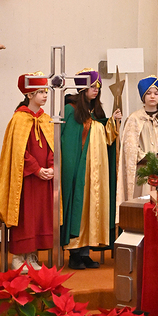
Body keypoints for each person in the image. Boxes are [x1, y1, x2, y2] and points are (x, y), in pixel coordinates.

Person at [0, 73, 54, 271]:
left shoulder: (46, 119)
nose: (45, 95)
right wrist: (36, 169)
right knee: (25, 215)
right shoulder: (18, 119)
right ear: (29, 95)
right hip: (25, 179)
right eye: (40, 92)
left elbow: (53, 146)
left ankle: (32, 255)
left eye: (46, 91)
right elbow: (18, 151)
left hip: (44, 178)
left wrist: (51, 167)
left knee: (40, 215)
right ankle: (19, 256)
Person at [60, 69, 121, 269]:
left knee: (93, 207)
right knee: (80, 207)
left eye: (98, 87)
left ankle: (85, 252)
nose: (96, 90)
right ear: (82, 88)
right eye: (93, 86)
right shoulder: (70, 110)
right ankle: (74, 253)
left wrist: (113, 122)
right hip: (80, 168)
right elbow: (67, 141)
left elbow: (105, 138)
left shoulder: (95, 112)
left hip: (97, 171)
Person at [116, 76, 158, 212]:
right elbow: (130, 147)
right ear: (143, 96)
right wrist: (149, 158)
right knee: (143, 205)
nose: (152, 96)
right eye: (149, 93)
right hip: (142, 171)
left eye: (156, 93)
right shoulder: (134, 119)